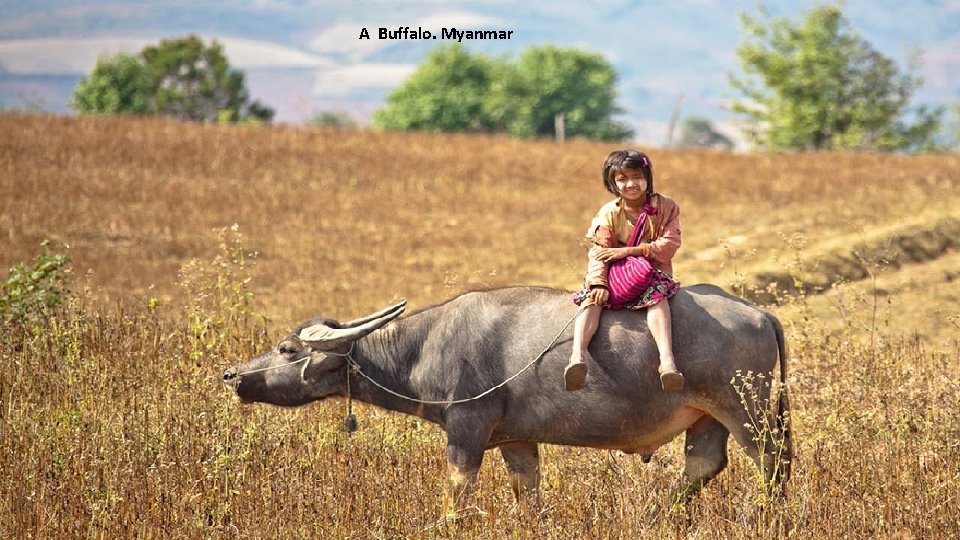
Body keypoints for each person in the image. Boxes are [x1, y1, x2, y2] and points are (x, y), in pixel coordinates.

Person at [565, 149, 684, 392]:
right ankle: (577, 358)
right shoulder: (608, 213)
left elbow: (668, 246)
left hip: (650, 273)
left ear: (647, 177)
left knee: (657, 299)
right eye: (622, 179)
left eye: (637, 176)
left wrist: (627, 251)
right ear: (612, 183)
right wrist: (598, 283)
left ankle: (667, 361)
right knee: (591, 300)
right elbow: (599, 252)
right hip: (614, 274)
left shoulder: (666, 207)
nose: (631, 184)